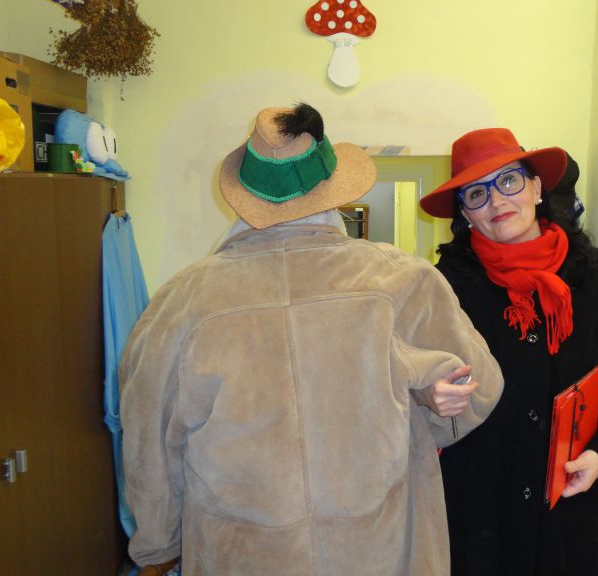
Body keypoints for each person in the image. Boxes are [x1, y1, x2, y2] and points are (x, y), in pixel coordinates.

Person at [120, 104, 504, 575]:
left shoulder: (181, 302)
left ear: (245, 197)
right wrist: (421, 409)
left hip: (241, 555)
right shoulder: (402, 280)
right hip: (378, 549)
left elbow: (148, 441)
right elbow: (479, 390)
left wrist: (158, 545)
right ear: (332, 190)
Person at [418, 128, 598, 575]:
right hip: (476, 517)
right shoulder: (437, 293)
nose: (496, 201)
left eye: (509, 181)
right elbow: (397, 384)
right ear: (464, 213)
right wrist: (426, 395)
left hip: (574, 513)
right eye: (476, 194)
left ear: (537, 188)